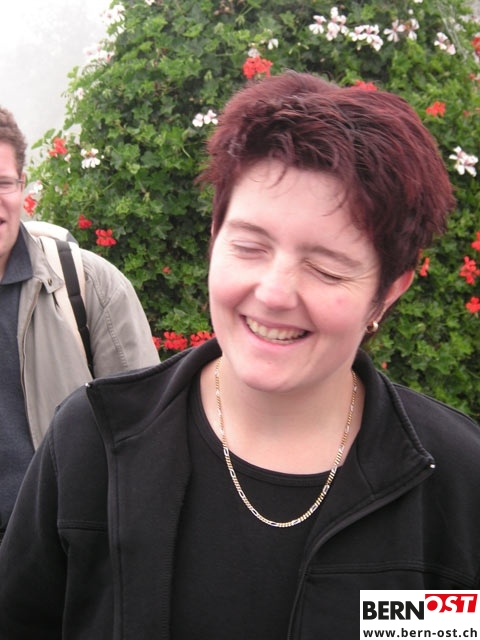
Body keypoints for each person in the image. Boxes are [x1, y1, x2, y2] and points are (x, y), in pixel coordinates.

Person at [0, 71, 479, 639]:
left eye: (326, 268)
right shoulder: (93, 442)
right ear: (213, 237)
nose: (274, 293)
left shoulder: (455, 481)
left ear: (388, 290)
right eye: (249, 246)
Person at [0, 106, 160, 543]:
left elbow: (148, 437)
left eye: (3, 183)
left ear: (22, 187)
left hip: (64, 560)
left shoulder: (88, 284)